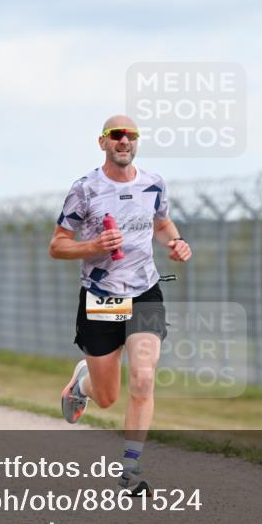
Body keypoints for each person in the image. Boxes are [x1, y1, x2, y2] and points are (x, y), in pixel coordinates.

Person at [49, 114, 192, 495]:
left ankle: (131, 469)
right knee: (108, 397)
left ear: (136, 142)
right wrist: (92, 247)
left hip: (145, 289)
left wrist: (176, 243)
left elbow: (162, 224)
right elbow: (58, 244)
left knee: (144, 378)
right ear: (103, 143)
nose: (123, 141)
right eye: (116, 135)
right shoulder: (85, 190)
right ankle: (83, 382)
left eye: (130, 135)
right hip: (102, 294)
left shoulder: (154, 183)